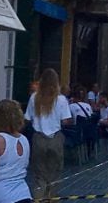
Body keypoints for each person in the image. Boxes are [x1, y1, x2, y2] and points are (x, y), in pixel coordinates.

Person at [24, 69, 73, 199]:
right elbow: (66, 121)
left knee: (39, 175)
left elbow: (27, 118)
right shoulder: (61, 100)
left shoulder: (34, 97)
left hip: (39, 138)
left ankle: (39, 198)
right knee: (55, 174)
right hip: (55, 138)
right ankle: (51, 198)